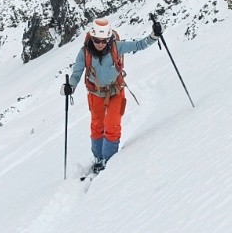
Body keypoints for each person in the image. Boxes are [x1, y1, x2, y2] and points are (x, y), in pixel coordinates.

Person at [62, 17, 162, 172]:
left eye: (104, 40)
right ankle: (98, 157)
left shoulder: (117, 47)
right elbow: (76, 74)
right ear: (92, 37)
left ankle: (109, 161)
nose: (100, 44)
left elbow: (139, 45)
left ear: (108, 38)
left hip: (115, 91)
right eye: (97, 40)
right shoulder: (84, 53)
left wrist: (154, 36)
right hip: (96, 93)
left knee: (112, 125)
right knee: (97, 126)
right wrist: (70, 87)